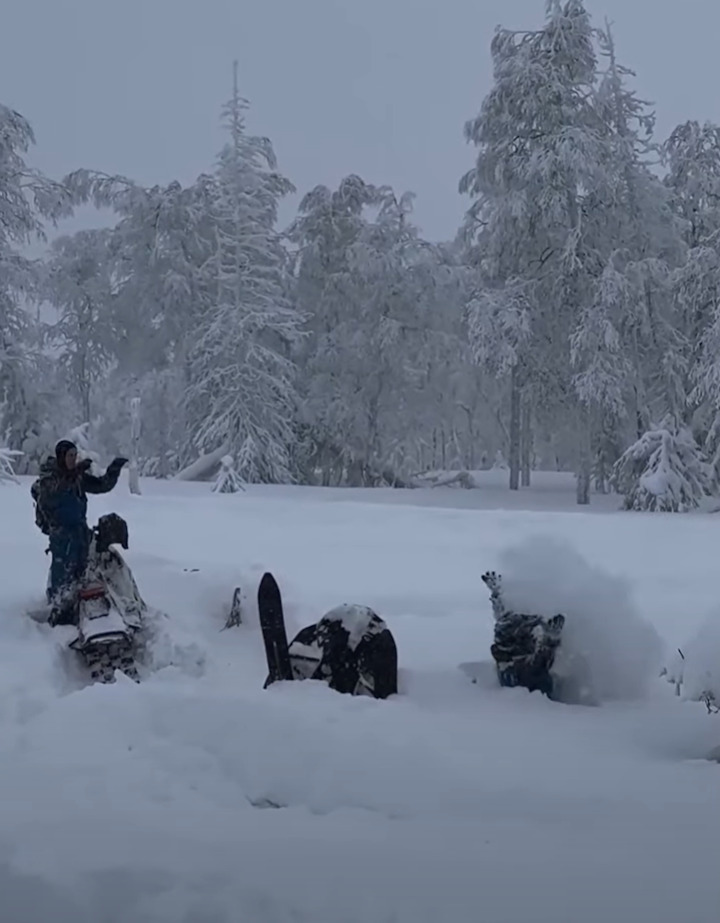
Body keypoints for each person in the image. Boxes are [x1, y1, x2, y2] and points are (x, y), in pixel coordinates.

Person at [31, 440, 128, 624]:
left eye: (75, 456)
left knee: (82, 575)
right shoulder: (49, 478)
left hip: (80, 533)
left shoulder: (77, 478)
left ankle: (80, 610)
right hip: (62, 537)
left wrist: (114, 470)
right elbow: (52, 496)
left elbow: (102, 485)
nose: (73, 459)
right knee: (63, 577)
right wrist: (72, 474)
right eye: (70, 456)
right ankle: (58, 615)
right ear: (61, 456)